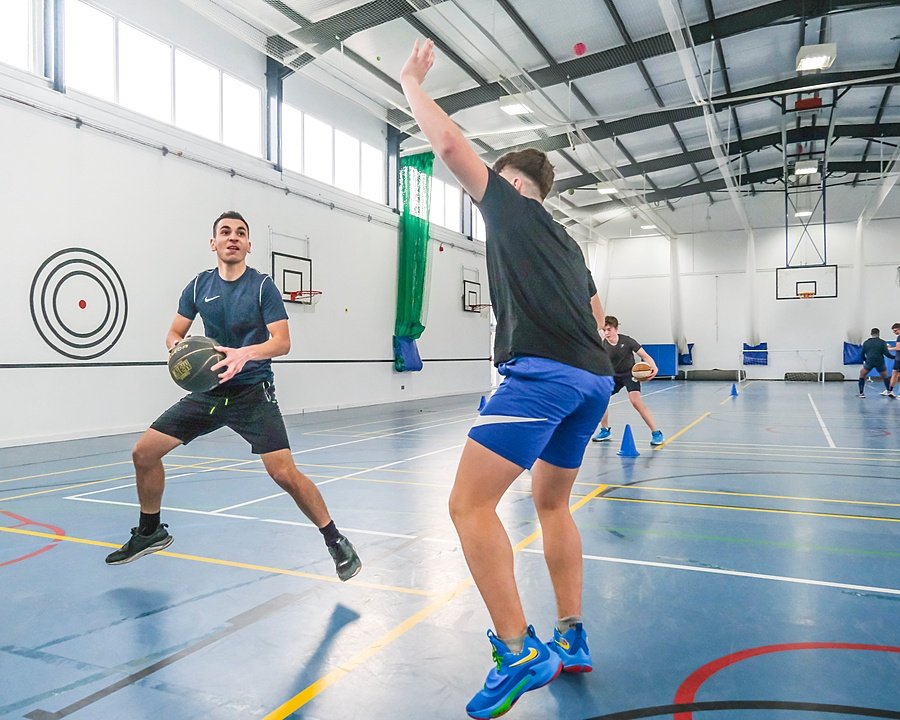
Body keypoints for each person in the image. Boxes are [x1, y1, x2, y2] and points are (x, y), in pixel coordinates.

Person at [401, 39, 614, 720]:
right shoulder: (570, 244)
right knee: (552, 505)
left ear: (512, 183)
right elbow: (600, 320)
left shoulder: (512, 207)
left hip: (543, 375)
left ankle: (520, 650)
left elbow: (451, 145)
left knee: (468, 506)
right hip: (592, 381)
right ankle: (572, 638)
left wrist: (411, 82)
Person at [105, 211, 362, 582]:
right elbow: (174, 332)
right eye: (225, 232)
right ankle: (150, 532)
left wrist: (244, 354)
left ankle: (336, 540)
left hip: (252, 393)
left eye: (240, 233)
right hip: (209, 391)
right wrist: (179, 349)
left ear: (248, 245)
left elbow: (282, 342)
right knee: (143, 453)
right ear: (214, 243)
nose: (233, 238)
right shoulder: (198, 286)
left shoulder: (262, 287)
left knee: (284, 474)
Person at [591, 316, 664, 446]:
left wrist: (654, 367)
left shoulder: (628, 341)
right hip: (613, 376)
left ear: (616, 329)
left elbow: (645, 356)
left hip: (630, 375)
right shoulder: (602, 344)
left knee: (636, 401)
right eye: (604, 330)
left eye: (609, 329)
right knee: (601, 400)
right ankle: (605, 430)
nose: (606, 333)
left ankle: (656, 433)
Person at [857, 327, 895, 398]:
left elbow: (862, 354)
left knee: (862, 375)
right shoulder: (882, 342)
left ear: (871, 334)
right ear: (878, 334)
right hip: (880, 362)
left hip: (869, 361)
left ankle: (861, 393)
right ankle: (889, 391)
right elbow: (887, 354)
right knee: (885, 376)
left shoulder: (866, 342)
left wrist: (866, 360)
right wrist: (895, 357)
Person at [888, 323, 900, 398]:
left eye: (895, 331)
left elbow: (898, 348)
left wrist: (889, 349)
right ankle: (890, 391)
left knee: (896, 374)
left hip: (899, 359)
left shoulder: (899, 337)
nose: (894, 333)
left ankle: (892, 391)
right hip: (898, 358)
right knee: (894, 373)